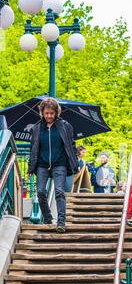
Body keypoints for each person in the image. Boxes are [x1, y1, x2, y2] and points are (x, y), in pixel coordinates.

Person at [27, 97, 78, 233]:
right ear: (42, 113)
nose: (49, 116)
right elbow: (33, 148)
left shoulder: (65, 126)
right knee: (40, 192)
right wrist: (30, 168)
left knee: (59, 192)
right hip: (42, 165)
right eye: (46, 113)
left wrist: (74, 164)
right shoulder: (37, 128)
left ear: (56, 112)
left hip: (59, 164)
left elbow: (71, 145)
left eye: (52, 113)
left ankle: (61, 222)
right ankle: (48, 217)